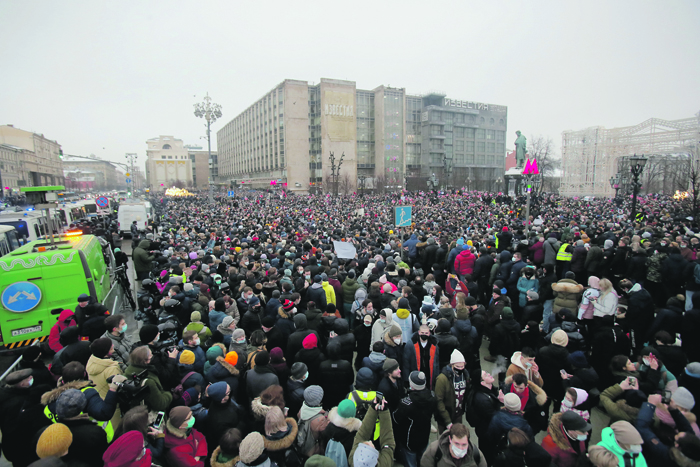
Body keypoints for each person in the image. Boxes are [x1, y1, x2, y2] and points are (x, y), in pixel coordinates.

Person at [393, 371, 437, 467]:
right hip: (425, 437)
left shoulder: (406, 404)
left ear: (411, 385)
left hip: (409, 441)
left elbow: (396, 418)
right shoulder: (433, 397)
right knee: (424, 461)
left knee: (410, 463)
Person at [125, 346, 173, 412]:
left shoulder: (128, 371)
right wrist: (169, 394)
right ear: (146, 361)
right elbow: (160, 404)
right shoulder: (148, 381)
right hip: (148, 413)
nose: (153, 356)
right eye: (151, 355)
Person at [349, 397, 395, 467]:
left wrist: (373, 409)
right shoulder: (383, 464)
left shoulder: (354, 461)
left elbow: (361, 436)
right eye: (372, 448)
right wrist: (384, 411)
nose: (370, 441)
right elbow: (388, 443)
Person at [435, 350, 470, 433]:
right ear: (452, 365)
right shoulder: (442, 379)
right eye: (458, 366)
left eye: (463, 366)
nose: (461, 369)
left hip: (458, 414)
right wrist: (447, 421)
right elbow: (438, 400)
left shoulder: (465, 375)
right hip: (445, 416)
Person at [420, 423, 486, 467]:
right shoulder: (434, 450)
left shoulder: (476, 454)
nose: (460, 448)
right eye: (457, 444)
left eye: (464, 445)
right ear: (450, 439)